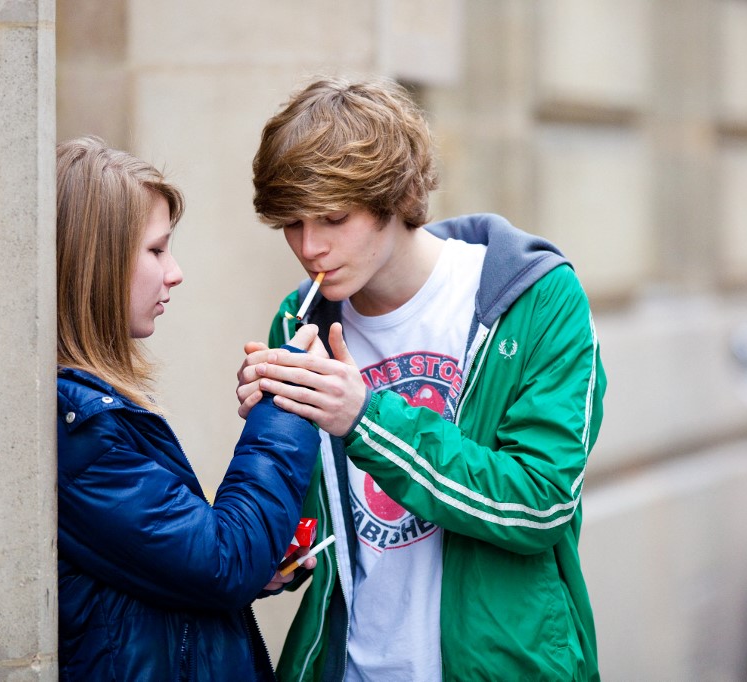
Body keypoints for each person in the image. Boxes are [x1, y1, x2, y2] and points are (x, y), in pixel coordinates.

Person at [237, 78, 607, 681]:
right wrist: (269, 447)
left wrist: (365, 419)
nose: (309, 247)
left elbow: (540, 503)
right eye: (291, 223)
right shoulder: (300, 319)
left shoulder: (535, 298)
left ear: (395, 197)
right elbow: (313, 538)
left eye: (333, 217)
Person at [55, 136, 324, 681]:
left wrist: (264, 558)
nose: (174, 272)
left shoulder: (86, 415)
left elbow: (186, 564)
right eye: (155, 251)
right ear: (97, 265)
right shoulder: (79, 429)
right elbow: (222, 560)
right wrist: (288, 403)